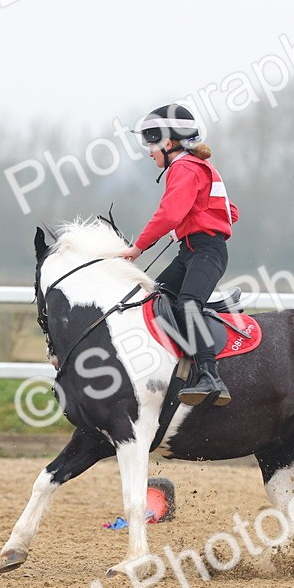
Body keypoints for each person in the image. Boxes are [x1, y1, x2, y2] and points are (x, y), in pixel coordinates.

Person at [118, 103, 239, 406]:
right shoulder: (198, 167)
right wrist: (190, 224)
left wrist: (138, 247)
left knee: (186, 303)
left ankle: (210, 375)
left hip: (205, 251)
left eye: (151, 144)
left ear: (168, 143)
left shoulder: (184, 167)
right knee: (156, 298)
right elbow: (230, 212)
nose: (149, 152)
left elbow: (169, 212)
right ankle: (183, 363)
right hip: (193, 250)